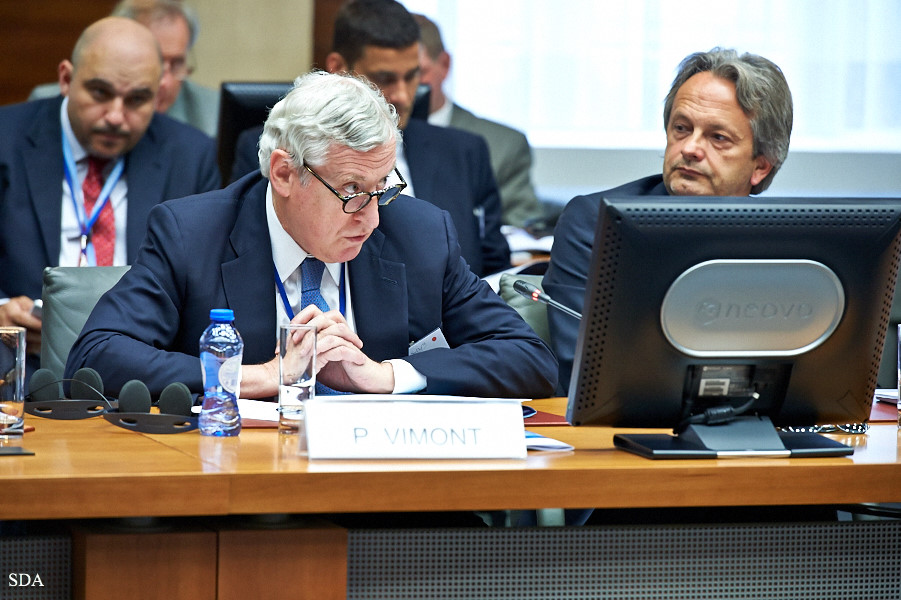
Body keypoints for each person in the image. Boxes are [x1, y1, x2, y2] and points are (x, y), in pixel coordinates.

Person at [65, 70, 557, 402]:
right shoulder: (192, 234)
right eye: (350, 190)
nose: (372, 217)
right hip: (236, 487)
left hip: (383, 491)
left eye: (381, 188)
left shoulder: (421, 233)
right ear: (283, 174)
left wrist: (386, 376)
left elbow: (530, 359)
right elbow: (95, 355)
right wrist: (261, 376)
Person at [543, 47, 793, 393]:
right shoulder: (595, 222)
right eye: (681, 128)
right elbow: (584, 370)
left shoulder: (791, 240)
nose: (690, 148)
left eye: (717, 137)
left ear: (760, 166)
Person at [0, 16, 220, 377]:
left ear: (159, 95)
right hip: (19, 365)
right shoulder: (6, 141)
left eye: (136, 99)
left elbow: (204, 284)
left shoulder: (190, 157)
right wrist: (2, 310)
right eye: (100, 93)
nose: (116, 117)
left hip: (137, 373)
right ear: (66, 79)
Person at [230, 0, 510, 278]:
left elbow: (494, 269)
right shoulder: (285, 151)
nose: (401, 95)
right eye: (384, 78)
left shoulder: (464, 152)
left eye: (412, 77)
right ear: (338, 68)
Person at [412, 13, 544, 230]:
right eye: (387, 77)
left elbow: (523, 228)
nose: (404, 88)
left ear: (444, 64)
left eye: (417, 73)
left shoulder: (502, 145)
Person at [28, 0, 220, 138]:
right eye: (156, 61)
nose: (164, 81)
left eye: (177, 63)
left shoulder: (213, 116)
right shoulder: (51, 102)